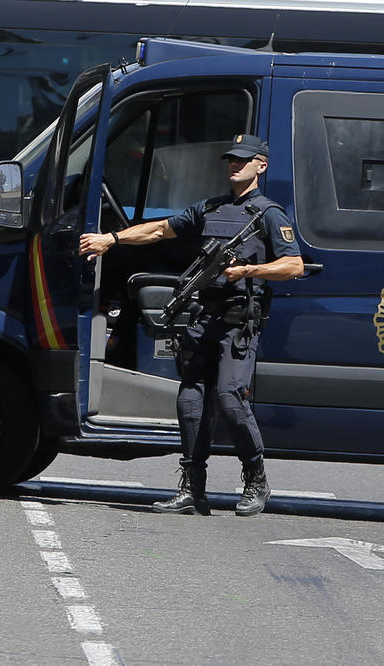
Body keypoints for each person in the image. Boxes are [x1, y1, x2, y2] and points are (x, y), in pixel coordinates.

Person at [79, 134, 304, 517]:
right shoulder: (210, 208)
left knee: (230, 399)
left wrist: (248, 271)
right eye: (231, 159)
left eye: (243, 159)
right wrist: (111, 239)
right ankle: (192, 488)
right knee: (189, 400)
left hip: (238, 321)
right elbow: (158, 230)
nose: (234, 164)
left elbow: (293, 265)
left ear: (261, 166)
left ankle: (256, 478)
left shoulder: (268, 214)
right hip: (204, 317)